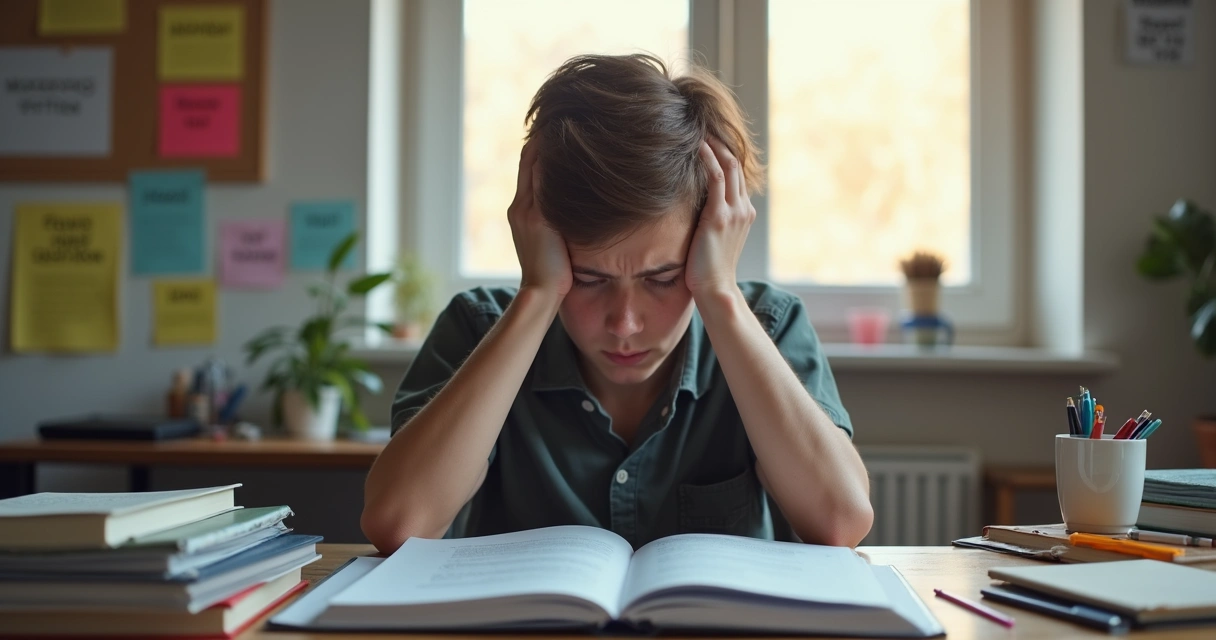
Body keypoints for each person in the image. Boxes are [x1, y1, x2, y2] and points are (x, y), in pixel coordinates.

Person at [361, 53, 872, 554]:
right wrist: (539, 293)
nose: (625, 324)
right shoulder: (479, 327)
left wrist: (718, 291)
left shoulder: (768, 326)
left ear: (713, 240)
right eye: (588, 279)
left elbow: (841, 520)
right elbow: (399, 522)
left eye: (663, 278)